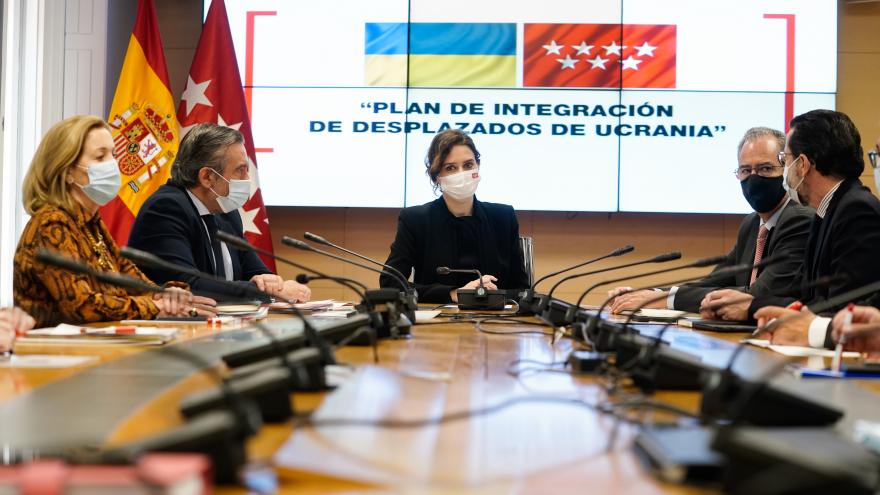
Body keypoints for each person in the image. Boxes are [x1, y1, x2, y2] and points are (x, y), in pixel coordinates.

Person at [14, 115, 213, 328]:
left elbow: (132, 281)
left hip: (92, 346)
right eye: (100, 157)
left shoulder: (92, 224)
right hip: (50, 354)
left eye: (114, 155)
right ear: (67, 172)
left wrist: (167, 294)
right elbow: (82, 305)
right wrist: (156, 306)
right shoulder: (52, 223)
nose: (112, 164)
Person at [607, 127, 812, 315]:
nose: (754, 178)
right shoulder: (751, 224)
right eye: (745, 171)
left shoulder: (798, 219)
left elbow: (757, 294)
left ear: (786, 170)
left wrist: (663, 299)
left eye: (765, 169)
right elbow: (714, 281)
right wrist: (651, 294)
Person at [729, 110, 880, 348]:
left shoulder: (856, 211)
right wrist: (752, 305)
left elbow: (845, 307)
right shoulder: (827, 209)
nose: (784, 168)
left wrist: (751, 306)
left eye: (784, 159)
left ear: (802, 164)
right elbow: (803, 294)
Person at [128, 123, 310, 303]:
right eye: (241, 170)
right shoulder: (166, 209)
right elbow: (189, 286)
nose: (247, 179)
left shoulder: (225, 211)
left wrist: (273, 285)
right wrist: (266, 292)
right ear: (207, 177)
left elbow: (257, 273)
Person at [380, 129, 529, 303]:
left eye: (468, 165)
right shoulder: (415, 219)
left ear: (478, 166)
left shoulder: (503, 217)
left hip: (494, 321)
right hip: (437, 325)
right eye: (451, 168)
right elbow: (391, 284)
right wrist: (454, 293)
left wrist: (493, 295)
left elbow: (522, 290)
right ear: (436, 176)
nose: (462, 174)